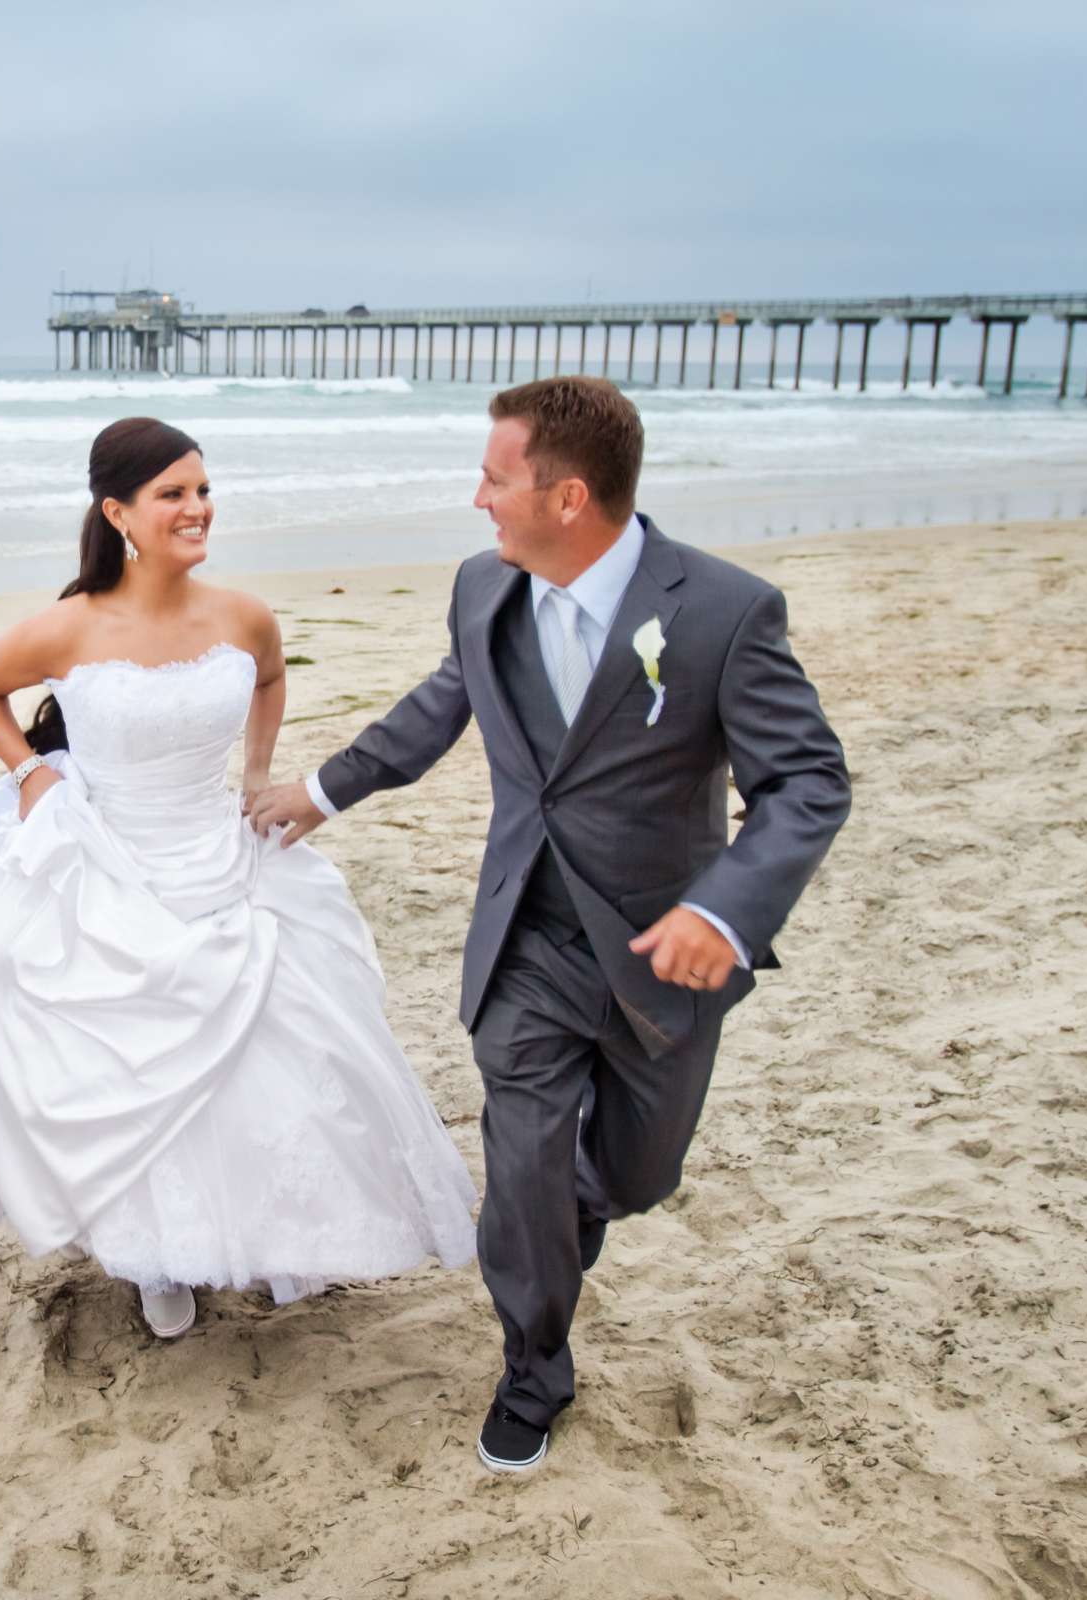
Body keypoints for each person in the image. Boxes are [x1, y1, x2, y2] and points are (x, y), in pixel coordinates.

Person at [249, 377, 850, 1474]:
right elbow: (445, 702)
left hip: (661, 950)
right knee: (521, 1161)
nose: (477, 498)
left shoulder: (723, 611)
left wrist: (724, 906)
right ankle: (535, 1365)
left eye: (494, 477)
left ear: (567, 496)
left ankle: (558, 1218)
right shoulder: (485, 588)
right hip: (525, 935)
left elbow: (808, 781)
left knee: (632, 1177)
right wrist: (324, 789)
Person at [0, 417, 476, 1338]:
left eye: (203, 490)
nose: (197, 508)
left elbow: (268, 676)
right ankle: (154, 1258)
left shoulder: (240, 614)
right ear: (119, 513)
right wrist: (33, 773)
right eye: (173, 493)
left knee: (265, 1059)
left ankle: (255, 1231)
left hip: (218, 853)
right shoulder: (71, 625)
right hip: (111, 864)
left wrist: (259, 776)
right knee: (127, 1063)